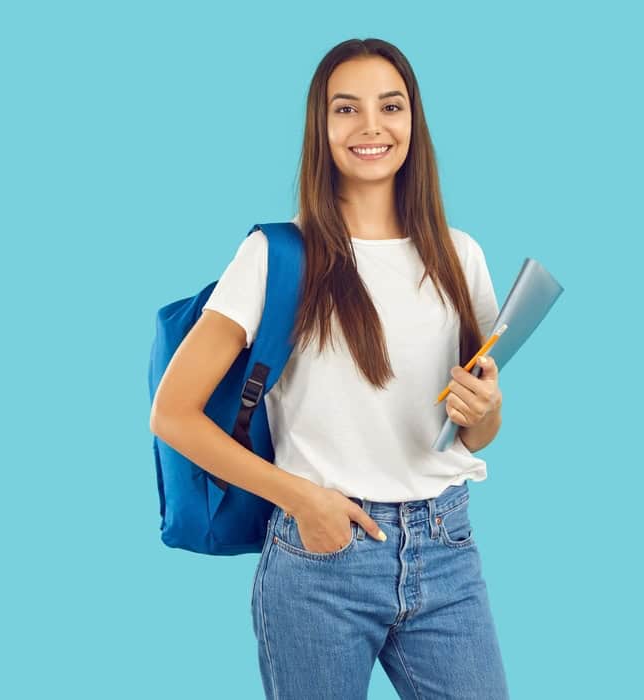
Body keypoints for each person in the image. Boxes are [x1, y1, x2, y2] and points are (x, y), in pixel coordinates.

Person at [150, 37, 510, 699]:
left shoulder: (460, 256)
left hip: (446, 546)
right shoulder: (277, 255)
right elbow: (172, 413)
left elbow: (476, 432)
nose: (371, 126)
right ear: (321, 127)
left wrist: (486, 412)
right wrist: (303, 500)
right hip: (322, 559)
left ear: (413, 121)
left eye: (390, 107)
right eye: (346, 109)